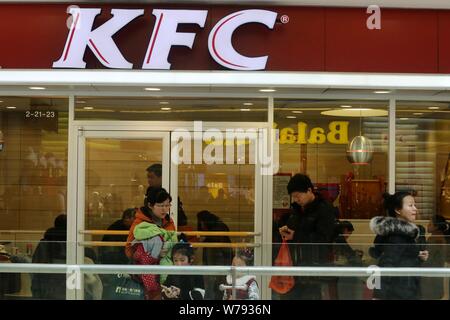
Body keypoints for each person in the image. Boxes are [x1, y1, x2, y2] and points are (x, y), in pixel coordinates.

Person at [278, 174, 336, 300]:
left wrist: (296, 235)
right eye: (293, 197)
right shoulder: (297, 211)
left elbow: (323, 238)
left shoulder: (324, 210)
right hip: (294, 269)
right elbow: (293, 230)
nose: (295, 200)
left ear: (309, 190)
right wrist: (286, 230)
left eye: (298, 196)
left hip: (314, 269)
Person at [369, 192, 429, 300]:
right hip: (399, 292)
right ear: (398, 210)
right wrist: (379, 296)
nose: (415, 209)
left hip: (404, 289)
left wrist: (417, 255)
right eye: (410, 205)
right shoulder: (397, 236)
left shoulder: (404, 234)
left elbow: (400, 257)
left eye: (415, 205)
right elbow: (387, 265)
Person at [32, 214, 102, 300]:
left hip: (49, 291)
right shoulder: (76, 243)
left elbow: (35, 277)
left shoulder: (46, 243)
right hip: (73, 288)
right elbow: (96, 288)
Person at [127, 187, 177, 300]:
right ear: (150, 205)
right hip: (143, 273)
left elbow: (173, 243)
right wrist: (149, 254)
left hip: (165, 271)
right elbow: (129, 249)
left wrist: (168, 250)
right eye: (160, 206)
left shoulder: (169, 221)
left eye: (167, 205)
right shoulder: (140, 223)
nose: (165, 209)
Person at [197, 210, 233, 300]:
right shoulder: (220, 228)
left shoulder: (213, 235)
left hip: (217, 262)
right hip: (223, 261)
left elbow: (214, 254)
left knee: (214, 285)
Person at [421, 215, 449, 299]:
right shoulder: (438, 237)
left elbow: (429, 259)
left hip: (431, 276)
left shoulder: (435, 239)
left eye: (430, 224)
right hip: (436, 273)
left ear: (436, 227)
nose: (428, 226)